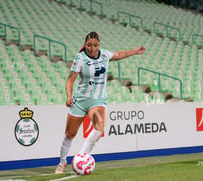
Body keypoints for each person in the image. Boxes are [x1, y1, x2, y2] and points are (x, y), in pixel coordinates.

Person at [55, 32, 146, 174]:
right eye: (89, 45)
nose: (92, 48)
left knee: (99, 125)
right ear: (85, 44)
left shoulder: (104, 55)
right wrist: (68, 96)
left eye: (95, 45)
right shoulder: (80, 58)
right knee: (70, 134)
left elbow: (119, 55)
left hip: (98, 100)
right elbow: (70, 80)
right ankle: (61, 162)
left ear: (99, 45)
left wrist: (135, 51)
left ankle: (80, 158)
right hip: (80, 100)